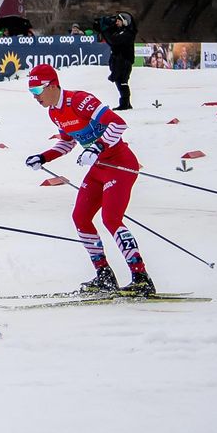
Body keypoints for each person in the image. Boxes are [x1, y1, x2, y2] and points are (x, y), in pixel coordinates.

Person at [24, 63, 154, 295]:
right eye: (31, 92)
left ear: (52, 85)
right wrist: (43, 157)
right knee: (81, 217)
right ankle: (104, 275)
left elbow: (118, 123)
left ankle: (141, 277)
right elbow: (68, 142)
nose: (35, 97)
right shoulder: (54, 112)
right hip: (98, 168)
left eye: (37, 91)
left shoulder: (79, 100)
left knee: (111, 219)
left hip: (119, 164)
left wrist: (97, 148)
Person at [97, 12, 137, 111]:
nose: (117, 23)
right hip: (119, 60)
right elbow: (111, 36)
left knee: (122, 81)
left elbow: (113, 40)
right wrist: (106, 24)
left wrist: (105, 29)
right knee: (120, 81)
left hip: (124, 60)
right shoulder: (121, 30)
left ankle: (124, 103)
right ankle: (126, 102)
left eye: (119, 21)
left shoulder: (128, 33)